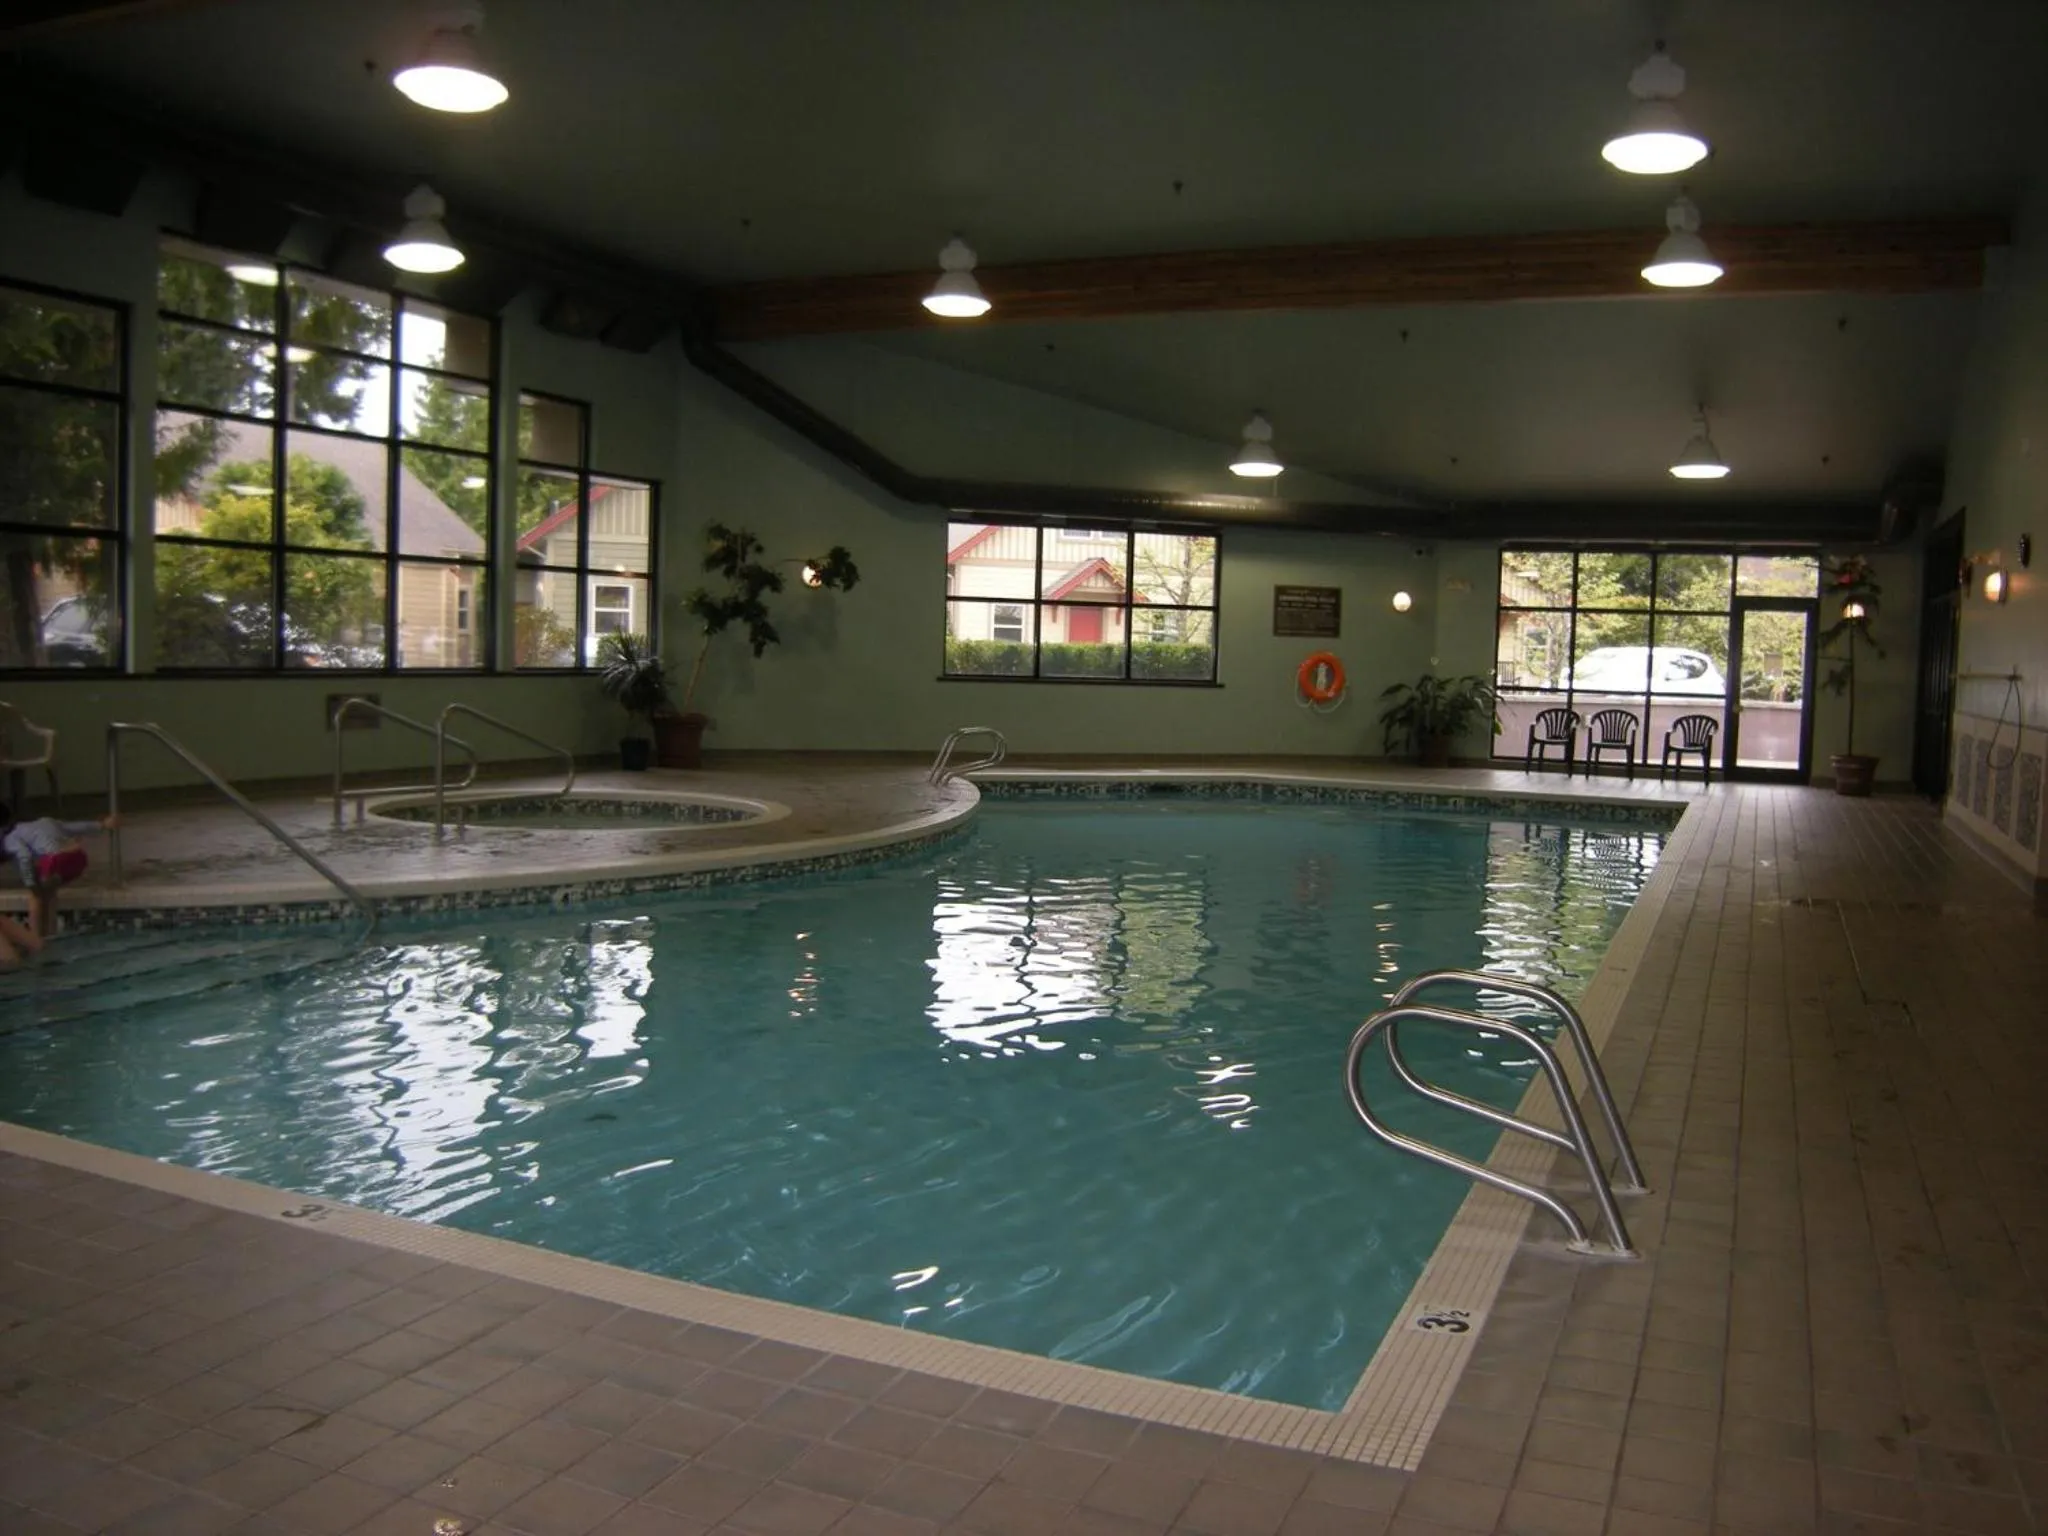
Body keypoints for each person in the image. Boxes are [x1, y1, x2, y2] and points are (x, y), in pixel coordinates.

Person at [0, 804, 118, 939]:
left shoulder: (10, 839)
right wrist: (102, 825)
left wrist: (30, 884)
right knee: (49, 891)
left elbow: (24, 857)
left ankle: (35, 937)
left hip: (55, 860)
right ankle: (52, 933)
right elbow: (75, 827)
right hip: (77, 859)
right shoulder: (45, 822)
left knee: (35, 896)